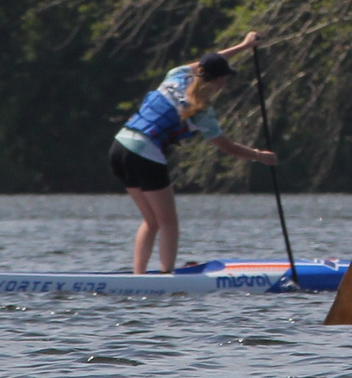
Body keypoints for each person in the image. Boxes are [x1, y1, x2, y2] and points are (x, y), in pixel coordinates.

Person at [110, 30, 276, 274]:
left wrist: (243, 46)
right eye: (225, 78)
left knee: (152, 222)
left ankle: (139, 277)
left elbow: (210, 61)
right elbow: (227, 146)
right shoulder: (202, 111)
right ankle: (166, 276)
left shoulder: (176, 75)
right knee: (168, 223)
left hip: (119, 147)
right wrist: (259, 155)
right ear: (219, 81)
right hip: (145, 154)